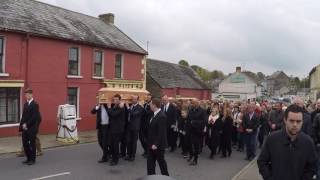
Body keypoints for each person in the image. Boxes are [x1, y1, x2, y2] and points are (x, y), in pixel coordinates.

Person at [258, 104, 318, 180]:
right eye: (291, 121)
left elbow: (313, 166)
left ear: (302, 122)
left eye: (298, 121)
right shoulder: (272, 139)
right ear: (285, 120)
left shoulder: (308, 142)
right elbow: (262, 161)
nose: (295, 124)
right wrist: (269, 177)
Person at [19, 88, 42, 165]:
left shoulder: (35, 104)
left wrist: (27, 124)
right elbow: (24, 116)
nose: (27, 96)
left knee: (32, 144)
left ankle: (32, 159)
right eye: (26, 94)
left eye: (28, 94)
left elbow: (34, 117)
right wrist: (22, 125)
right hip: (25, 128)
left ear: (31, 95)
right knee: (25, 144)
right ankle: (28, 158)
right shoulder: (25, 104)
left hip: (32, 128)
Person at [147, 98, 169, 176]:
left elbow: (161, 132)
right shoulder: (154, 114)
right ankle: (151, 177)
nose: (149, 105)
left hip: (158, 145)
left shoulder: (161, 116)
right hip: (151, 144)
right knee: (150, 164)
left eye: (150, 104)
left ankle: (166, 177)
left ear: (154, 105)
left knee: (161, 163)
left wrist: (156, 144)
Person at [107, 94, 126, 166]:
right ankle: (113, 157)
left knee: (115, 145)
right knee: (112, 144)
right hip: (113, 128)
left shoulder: (121, 107)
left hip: (117, 129)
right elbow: (111, 114)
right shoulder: (115, 106)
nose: (115, 101)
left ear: (119, 100)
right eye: (114, 99)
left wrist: (109, 108)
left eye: (116, 99)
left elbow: (113, 114)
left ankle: (115, 160)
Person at [125, 95, 144, 162]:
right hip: (129, 126)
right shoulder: (131, 106)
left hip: (135, 127)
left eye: (135, 99)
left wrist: (127, 107)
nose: (133, 100)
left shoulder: (140, 108)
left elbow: (133, 114)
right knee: (128, 141)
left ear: (137, 100)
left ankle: (133, 156)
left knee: (133, 142)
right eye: (132, 99)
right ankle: (128, 154)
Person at [187, 99, 206, 165]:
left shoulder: (202, 111)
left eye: (193, 103)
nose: (192, 104)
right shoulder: (190, 110)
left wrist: (194, 122)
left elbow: (204, 121)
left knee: (196, 146)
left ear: (197, 103)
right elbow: (188, 120)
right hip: (190, 130)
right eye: (191, 103)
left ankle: (195, 160)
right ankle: (191, 155)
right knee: (189, 144)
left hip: (197, 131)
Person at [91, 97, 110, 163]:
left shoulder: (108, 106)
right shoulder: (98, 106)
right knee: (100, 142)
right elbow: (92, 112)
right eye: (99, 100)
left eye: (101, 100)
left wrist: (107, 106)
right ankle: (108, 153)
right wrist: (97, 106)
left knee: (105, 143)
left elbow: (111, 113)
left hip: (107, 126)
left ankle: (105, 157)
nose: (99, 101)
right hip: (100, 126)